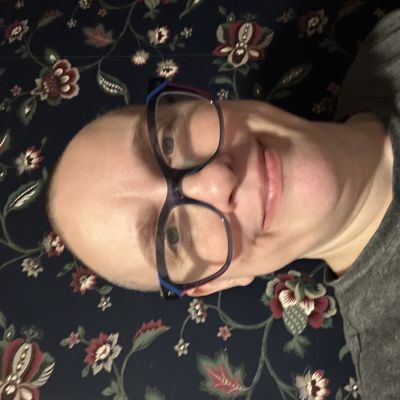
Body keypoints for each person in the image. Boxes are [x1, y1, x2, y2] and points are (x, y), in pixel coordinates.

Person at [47, 9, 400, 399]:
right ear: (216, 282)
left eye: (167, 142)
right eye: (173, 236)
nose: (216, 181)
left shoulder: (387, 43)